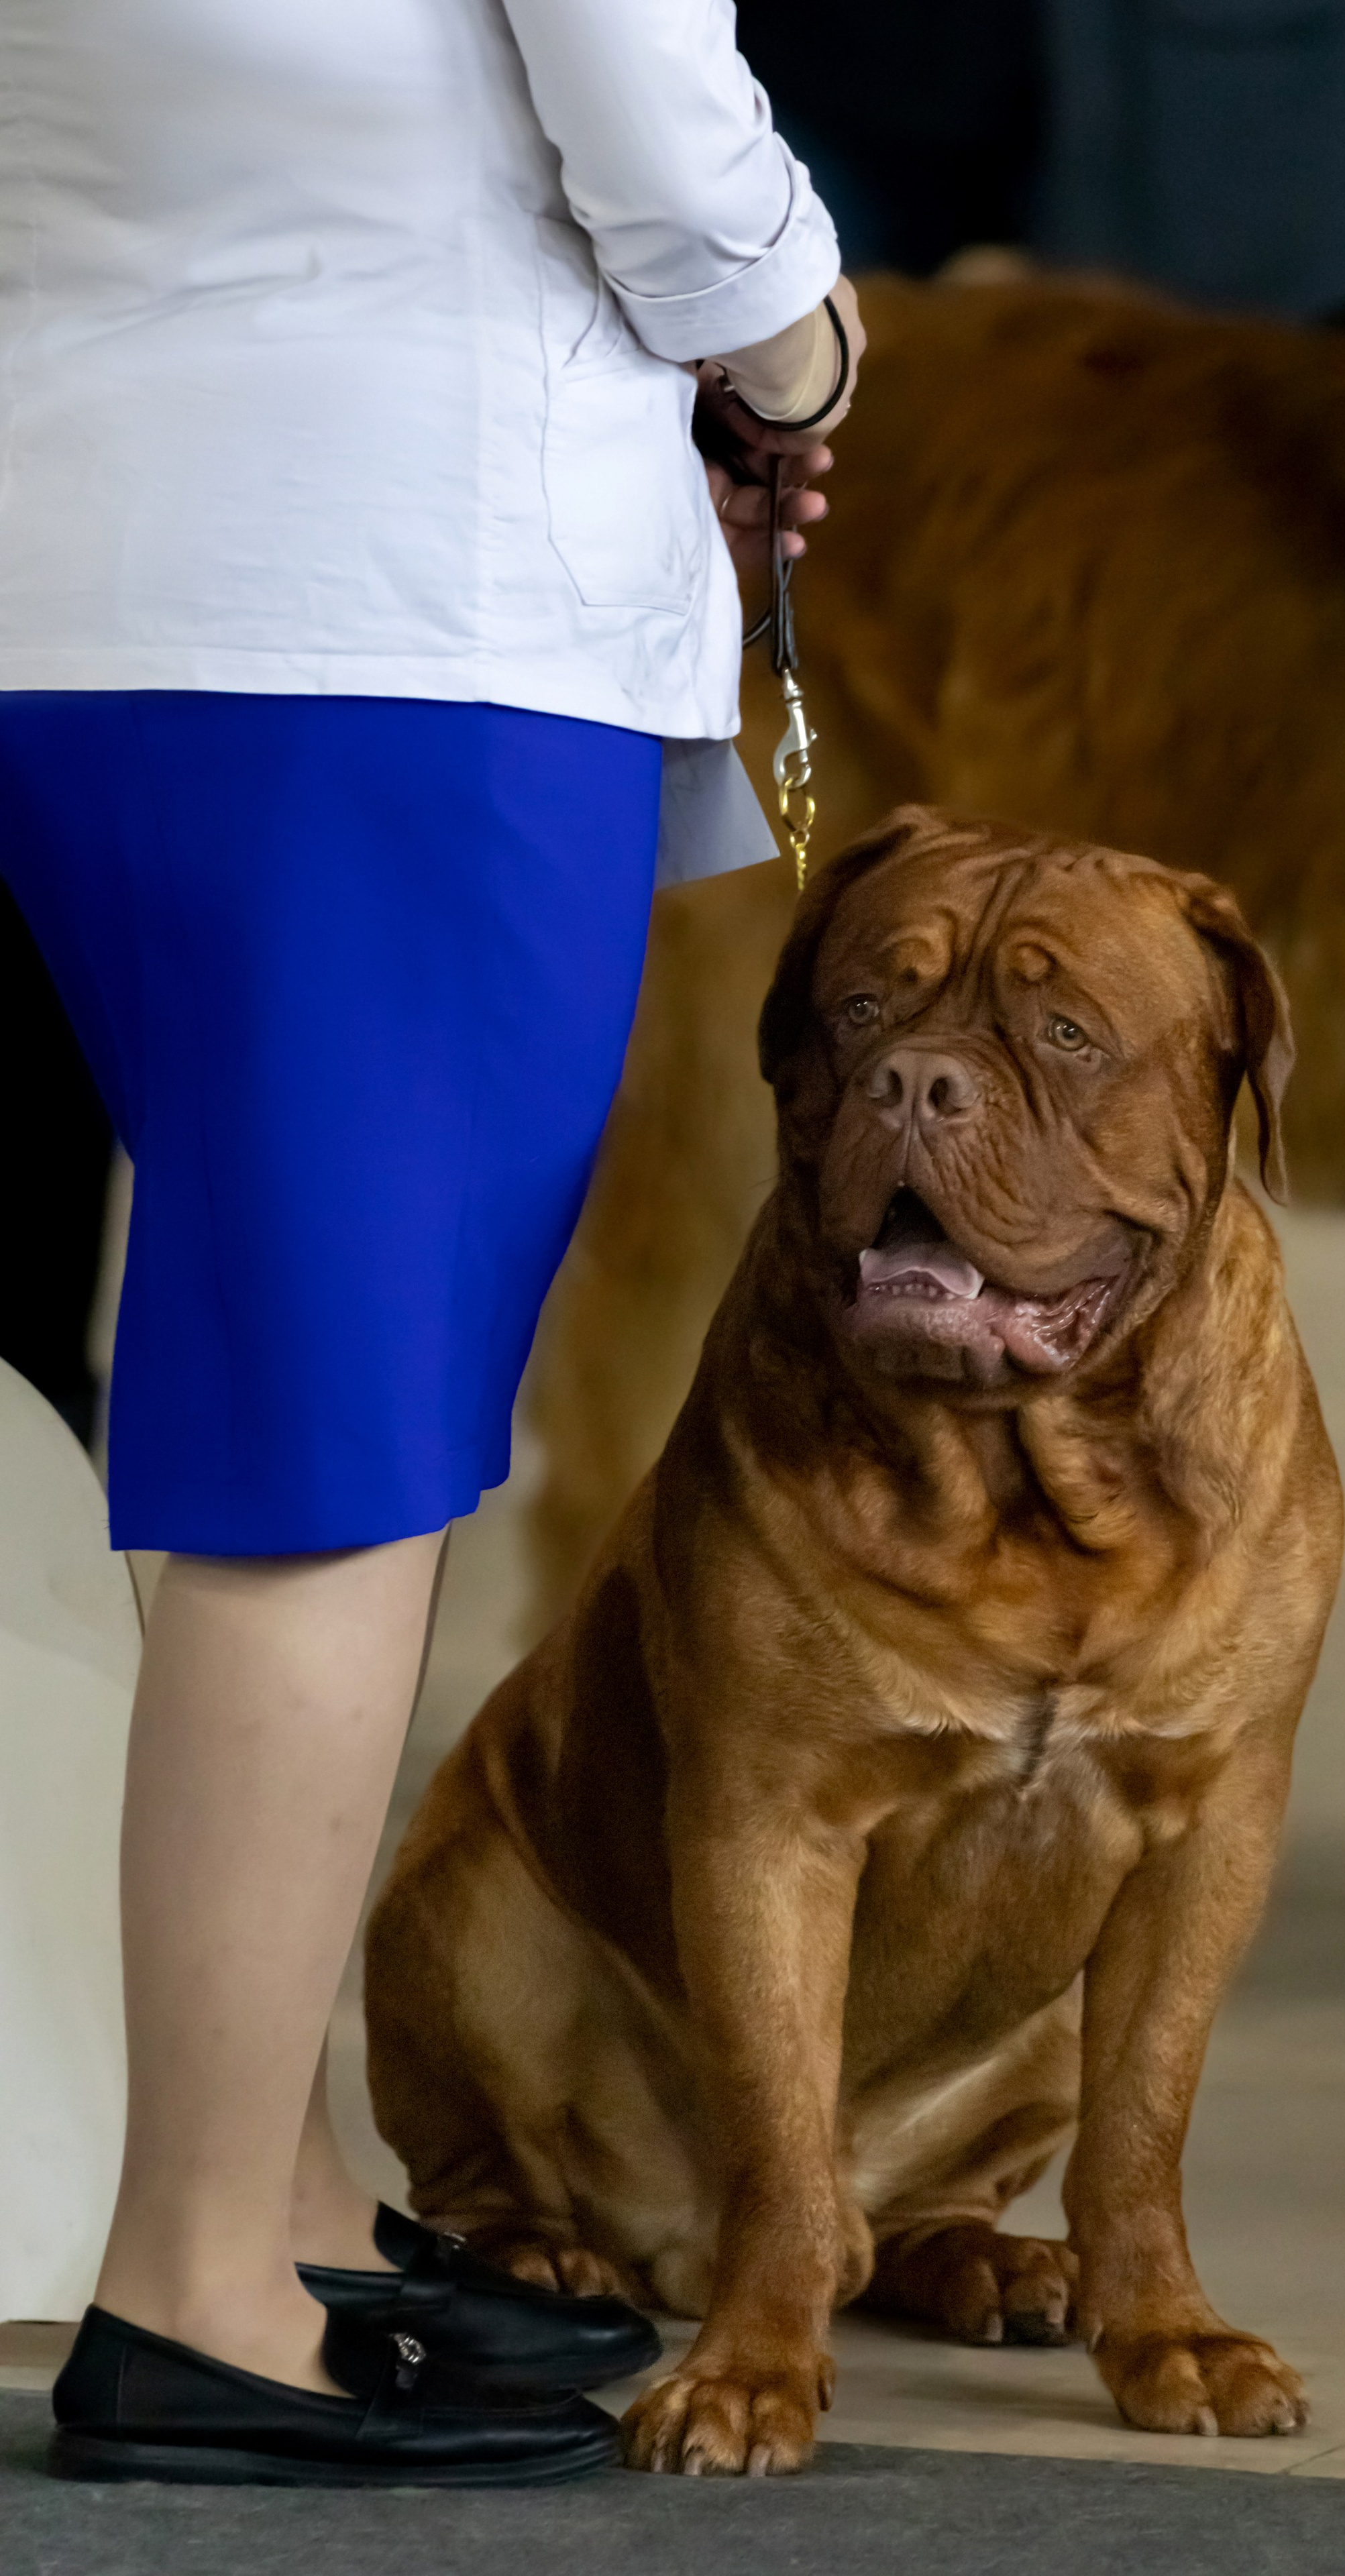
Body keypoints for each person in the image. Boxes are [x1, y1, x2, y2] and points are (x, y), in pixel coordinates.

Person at [0, 0, 861, 2489]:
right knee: (335, 1456)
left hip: (78, 575)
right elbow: (664, 147)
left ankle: (282, 2193)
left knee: (278, 1388)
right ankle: (187, 2287)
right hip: (393, 598)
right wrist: (805, 348)